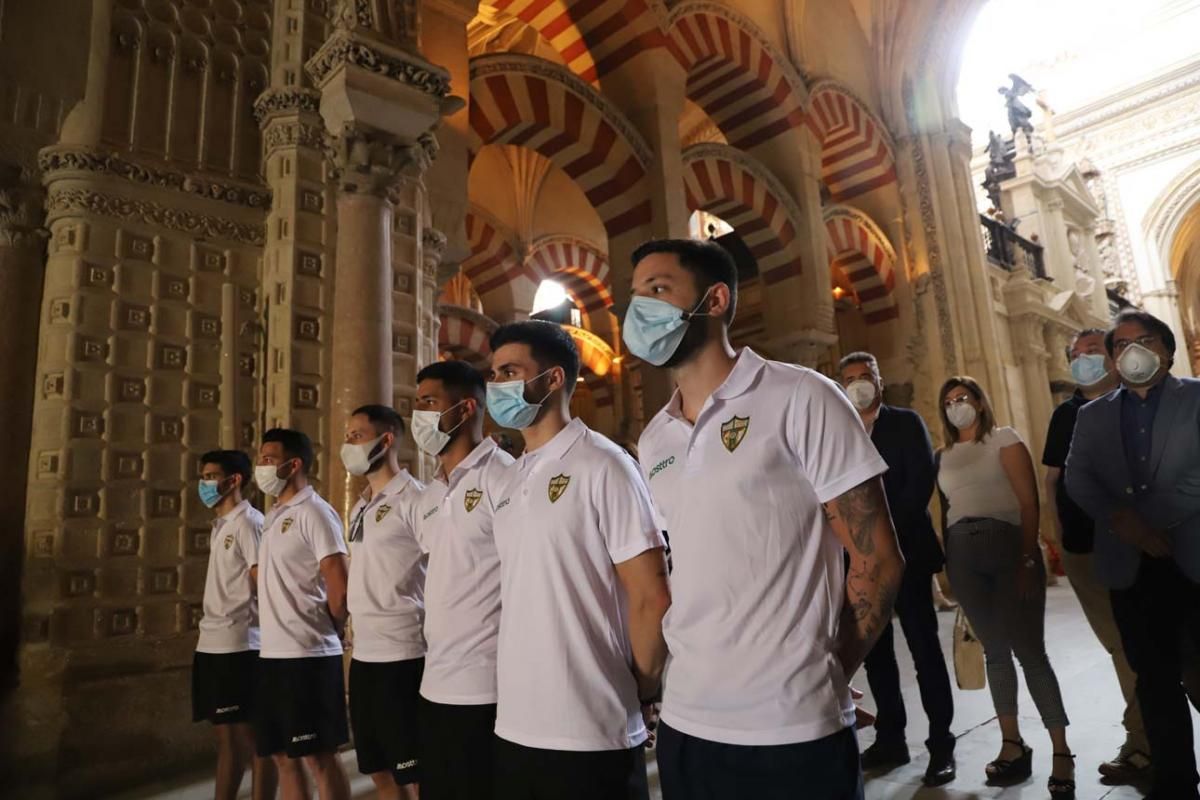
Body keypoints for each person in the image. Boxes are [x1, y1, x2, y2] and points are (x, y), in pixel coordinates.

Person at [627, 239, 904, 800]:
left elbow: (877, 559)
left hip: (791, 728)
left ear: (715, 300)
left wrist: (828, 672)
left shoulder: (800, 396)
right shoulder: (655, 436)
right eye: (635, 297)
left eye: (658, 290)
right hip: (686, 724)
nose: (641, 311)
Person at [485, 320, 671, 800]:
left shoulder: (603, 465)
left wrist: (643, 688)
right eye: (492, 374)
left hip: (591, 725)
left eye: (509, 371)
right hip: (518, 723)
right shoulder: (509, 480)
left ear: (552, 379)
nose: (496, 385)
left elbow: (651, 595)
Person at [1066, 309, 1200, 800]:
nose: (1131, 351)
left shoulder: (1197, 397)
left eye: (1142, 340)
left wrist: (1146, 520)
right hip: (1131, 567)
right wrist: (1125, 524)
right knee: (1155, 681)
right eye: (1120, 345)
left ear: (1166, 349)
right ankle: (1177, 784)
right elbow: (1079, 478)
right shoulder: (1092, 415)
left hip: (1191, 559)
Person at [934, 378, 1074, 798]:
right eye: (949, 402)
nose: (956, 406)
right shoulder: (942, 455)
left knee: (1030, 652)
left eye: (963, 398)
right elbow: (945, 512)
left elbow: (1029, 502)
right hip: (963, 555)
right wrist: (950, 569)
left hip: (1007, 546)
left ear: (979, 401)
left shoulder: (1004, 439)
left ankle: (1061, 751)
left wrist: (1030, 558)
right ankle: (1012, 743)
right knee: (995, 653)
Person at [837, 353, 956, 786]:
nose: (858, 385)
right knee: (878, 655)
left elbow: (920, 481)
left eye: (864, 376)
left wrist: (881, 537)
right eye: (848, 379)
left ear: (879, 380)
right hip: (860, 563)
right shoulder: (839, 431)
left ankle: (941, 745)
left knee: (924, 650)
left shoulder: (904, 423)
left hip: (906, 553)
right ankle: (892, 738)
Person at [1044, 328, 1151, 783]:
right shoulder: (1065, 414)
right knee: (1120, 646)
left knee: (1150, 645)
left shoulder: (1138, 404)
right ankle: (1144, 742)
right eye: (1074, 353)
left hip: (1139, 543)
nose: (1082, 358)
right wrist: (1059, 537)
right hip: (1084, 548)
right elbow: (1052, 479)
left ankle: (1147, 742)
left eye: (1091, 350)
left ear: (1112, 358)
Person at [410, 360, 514, 800]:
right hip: (435, 680)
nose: (419, 414)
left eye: (429, 403)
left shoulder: (503, 476)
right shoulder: (429, 493)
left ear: (467, 408)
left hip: (487, 684)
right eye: (416, 404)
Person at [253, 428, 351, 800]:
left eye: (267, 459)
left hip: (307, 655)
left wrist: (333, 628)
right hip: (271, 654)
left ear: (293, 465)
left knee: (319, 757)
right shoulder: (274, 514)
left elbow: (338, 586)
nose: (260, 467)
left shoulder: (315, 512)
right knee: (282, 755)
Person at [343, 405, 426, 800]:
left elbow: (442, 566)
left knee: (413, 771)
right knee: (378, 770)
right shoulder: (360, 505)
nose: (349, 444)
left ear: (386, 439)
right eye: (348, 436)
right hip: (365, 656)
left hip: (403, 653)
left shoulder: (415, 499)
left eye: (357, 435)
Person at [192, 449, 277, 800]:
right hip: (211, 642)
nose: (205, 483)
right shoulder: (222, 525)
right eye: (204, 476)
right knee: (225, 737)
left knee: (252, 740)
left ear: (234, 480)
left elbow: (264, 582)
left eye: (212, 476)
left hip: (241, 644)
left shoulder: (250, 523)